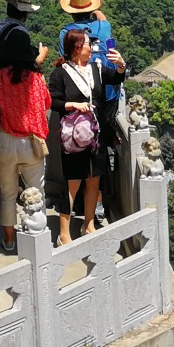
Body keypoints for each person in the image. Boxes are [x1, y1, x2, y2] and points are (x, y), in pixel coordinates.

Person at [56, 0, 128, 222]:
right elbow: (103, 18)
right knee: (101, 149)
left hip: (79, 99)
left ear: (71, 12)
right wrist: (97, 13)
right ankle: (97, 203)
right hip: (106, 96)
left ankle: (76, 203)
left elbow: (66, 60)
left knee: (77, 148)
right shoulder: (103, 26)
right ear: (92, 8)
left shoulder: (66, 33)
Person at [0, 23, 50, 255]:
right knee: (36, 190)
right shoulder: (37, 80)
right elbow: (47, 104)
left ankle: (9, 239)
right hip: (31, 142)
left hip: (4, 139)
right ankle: (37, 234)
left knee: (7, 193)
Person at [50, 27, 116, 243]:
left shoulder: (95, 68)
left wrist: (121, 65)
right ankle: (64, 231)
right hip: (74, 136)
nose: (92, 48)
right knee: (73, 182)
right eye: (88, 44)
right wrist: (74, 105)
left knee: (93, 180)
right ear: (77, 47)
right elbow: (54, 101)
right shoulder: (60, 73)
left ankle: (88, 224)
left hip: (96, 133)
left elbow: (116, 78)